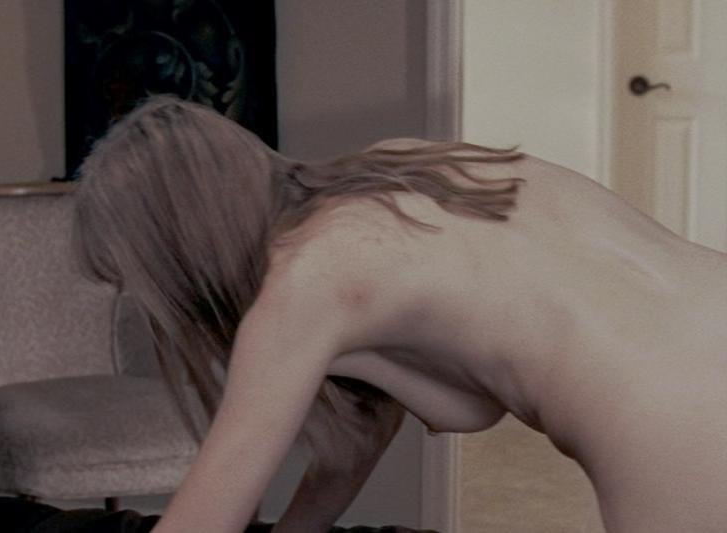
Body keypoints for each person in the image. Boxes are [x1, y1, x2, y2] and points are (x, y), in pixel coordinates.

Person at [72, 95, 727, 533]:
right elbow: (363, 434)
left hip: (680, 420)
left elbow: (202, 523)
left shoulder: (302, 287)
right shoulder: (400, 173)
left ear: (175, 257)